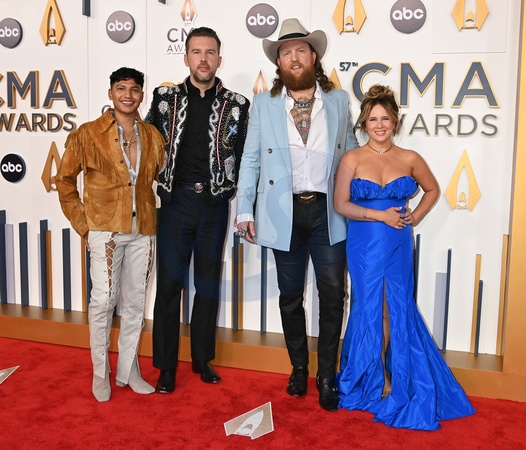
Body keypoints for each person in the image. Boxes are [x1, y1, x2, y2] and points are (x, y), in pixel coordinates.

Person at [334, 84, 475, 429]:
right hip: (365, 244)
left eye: (385, 118)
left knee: (394, 308)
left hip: (398, 242)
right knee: (369, 307)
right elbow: (341, 204)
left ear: (395, 121)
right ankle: (375, 377)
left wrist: (416, 216)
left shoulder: (410, 158)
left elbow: (433, 190)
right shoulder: (352, 158)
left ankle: (394, 375)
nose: (379, 125)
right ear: (363, 123)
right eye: (372, 119)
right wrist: (380, 215)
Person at [235, 18, 358, 412]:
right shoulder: (263, 104)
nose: (293, 57)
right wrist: (244, 209)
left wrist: (367, 199)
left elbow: (352, 154)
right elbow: (250, 159)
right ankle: (299, 367)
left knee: (333, 295)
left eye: (300, 50)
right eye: (285, 52)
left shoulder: (337, 100)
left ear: (313, 56)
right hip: (281, 211)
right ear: (279, 62)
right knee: (289, 296)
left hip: (327, 211)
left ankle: (327, 375)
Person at [145, 27, 250, 393]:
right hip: (175, 204)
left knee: (207, 285)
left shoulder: (237, 104)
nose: (203, 59)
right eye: (196, 52)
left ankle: (202, 359)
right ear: (186, 57)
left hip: (214, 205)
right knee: (169, 286)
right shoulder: (164, 99)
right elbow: (146, 147)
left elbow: (246, 157)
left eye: (209, 53)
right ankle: (165, 366)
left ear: (219, 59)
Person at [56, 67, 165, 402]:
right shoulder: (88, 134)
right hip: (104, 230)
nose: (127, 95)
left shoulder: (152, 136)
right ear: (110, 94)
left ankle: (129, 370)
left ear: (141, 95)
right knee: (103, 301)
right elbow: (64, 181)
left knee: (135, 303)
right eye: (121, 88)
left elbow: (152, 179)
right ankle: (100, 372)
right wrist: (84, 225)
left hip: (143, 230)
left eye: (134, 89)